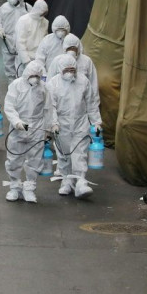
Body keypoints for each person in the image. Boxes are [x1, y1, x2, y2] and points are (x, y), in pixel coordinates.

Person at [3, 60, 57, 203]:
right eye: (32, 75)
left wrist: (49, 128)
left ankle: (29, 188)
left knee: (35, 159)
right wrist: (16, 122)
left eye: (37, 76)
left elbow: (48, 109)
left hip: (37, 127)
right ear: (26, 74)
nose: (35, 78)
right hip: (19, 127)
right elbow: (9, 106)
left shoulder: (43, 88)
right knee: (14, 158)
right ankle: (14, 187)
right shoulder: (16, 86)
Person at [47, 54, 101, 198]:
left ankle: (81, 181)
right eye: (67, 70)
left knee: (80, 152)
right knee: (64, 153)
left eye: (72, 69)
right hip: (61, 123)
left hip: (80, 121)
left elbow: (91, 103)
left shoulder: (83, 81)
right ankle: (66, 180)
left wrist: (96, 122)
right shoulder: (53, 83)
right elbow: (50, 106)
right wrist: (53, 123)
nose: (70, 72)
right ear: (60, 69)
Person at [0, 0, 30, 80]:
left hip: (22, 38)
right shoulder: (4, 8)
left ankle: (21, 80)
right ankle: (11, 82)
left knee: (22, 59)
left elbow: (34, 20)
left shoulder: (26, 7)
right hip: (7, 39)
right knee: (8, 61)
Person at [14, 0, 49, 76]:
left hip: (39, 59)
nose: (43, 15)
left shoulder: (45, 22)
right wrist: (26, 61)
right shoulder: (23, 21)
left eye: (44, 13)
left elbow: (45, 41)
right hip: (25, 59)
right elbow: (20, 42)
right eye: (42, 13)